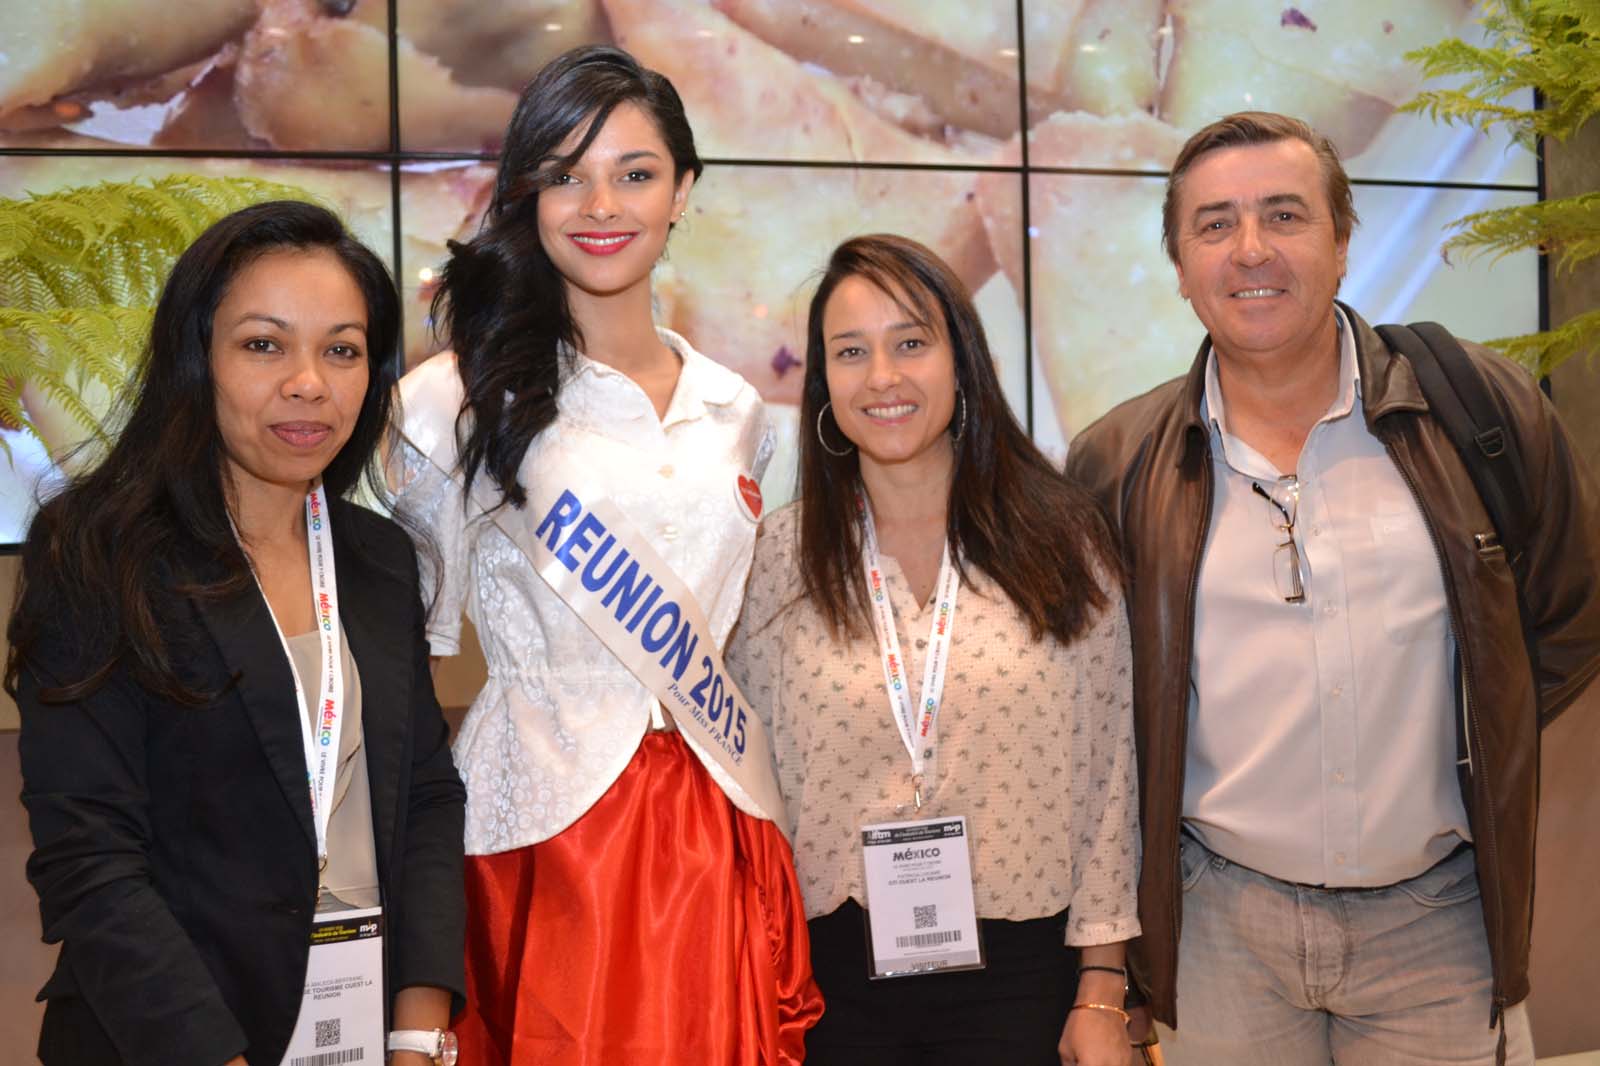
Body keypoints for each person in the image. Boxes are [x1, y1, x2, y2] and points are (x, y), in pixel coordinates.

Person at [1065, 111, 1600, 1066]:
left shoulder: (1479, 409)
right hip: (1220, 928)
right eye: (1215, 225)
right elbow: (1099, 712)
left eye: (1285, 215)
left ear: (1343, 243)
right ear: (1182, 267)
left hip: (1441, 920)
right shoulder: (1116, 462)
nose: (1252, 250)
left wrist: (1477, 725)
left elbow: (1565, 617)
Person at [390, 45, 821, 1065]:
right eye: (566, 173)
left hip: (719, 816)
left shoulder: (742, 411)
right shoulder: (450, 400)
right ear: (526, 194)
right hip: (547, 825)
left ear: (682, 194)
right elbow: (405, 652)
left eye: (635, 172)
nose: (602, 202)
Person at [10, 200, 467, 1066]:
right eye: (264, 344)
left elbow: (427, 798)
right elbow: (92, 861)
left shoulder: (376, 559)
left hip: (367, 1028)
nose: (310, 383)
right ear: (197, 357)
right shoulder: (98, 554)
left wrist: (417, 1031)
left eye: (342, 349)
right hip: (175, 1038)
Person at [726, 233, 1140, 1066]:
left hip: (1026, 979)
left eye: (911, 342)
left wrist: (1102, 988)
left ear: (963, 360)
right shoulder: (772, 560)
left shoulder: (1062, 541)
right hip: (830, 989)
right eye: (851, 352)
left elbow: (1109, 777)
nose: (883, 377)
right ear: (823, 383)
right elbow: (747, 792)